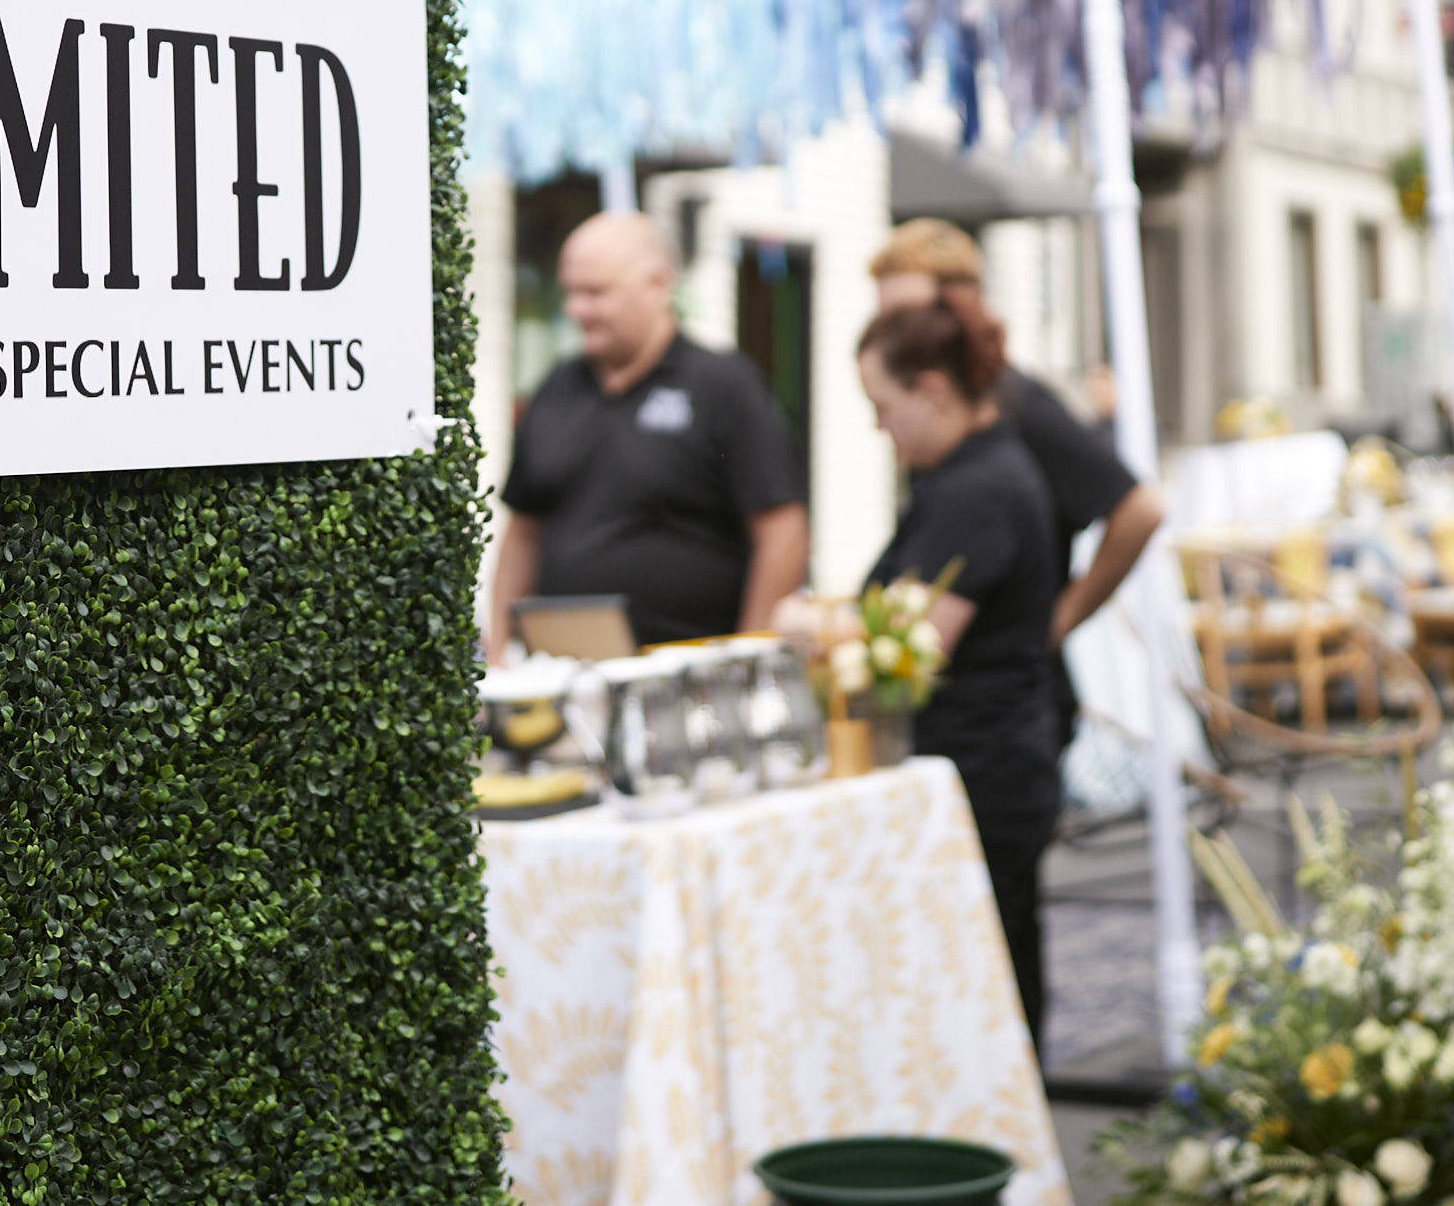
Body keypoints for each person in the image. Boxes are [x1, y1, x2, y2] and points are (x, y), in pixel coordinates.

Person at [854, 297, 1063, 1043]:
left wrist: (811, 625)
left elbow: (909, 644)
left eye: (883, 406)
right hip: (996, 757)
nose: (879, 427)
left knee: (981, 983)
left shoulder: (978, 491)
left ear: (933, 391)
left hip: (983, 768)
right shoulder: (977, 474)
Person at [867, 221, 1163, 714]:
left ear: (956, 307)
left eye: (904, 316)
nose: (889, 334)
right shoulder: (950, 418)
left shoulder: (1012, 403)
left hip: (1007, 703)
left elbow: (1141, 509)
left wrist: (1058, 620)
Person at [491, 213, 809, 655]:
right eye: (569, 292)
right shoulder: (555, 388)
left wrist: (748, 655)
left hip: (685, 676)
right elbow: (523, 530)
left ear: (656, 285)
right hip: (562, 669)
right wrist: (497, 651)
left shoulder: (723, 386)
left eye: (594, 292)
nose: (574, 310)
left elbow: (782, 531)